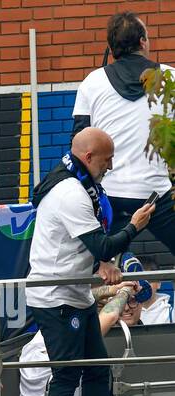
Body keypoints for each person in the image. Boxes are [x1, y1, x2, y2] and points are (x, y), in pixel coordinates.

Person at [26, 126, 153, 396]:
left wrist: (103, 263)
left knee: (98, 370)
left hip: (75, 292)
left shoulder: (82, 184)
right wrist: (136, 226)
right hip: (54, 296)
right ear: (88, 157)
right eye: (107, 159)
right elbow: (102, 244)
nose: (110, 166)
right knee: (66, 376)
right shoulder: (71, 192)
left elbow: (92, 246)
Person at [73, 13, 175, 256]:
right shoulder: (171, 78)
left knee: (96, 266)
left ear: (111, 48)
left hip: (110, 197)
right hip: (158, 196)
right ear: (142, 42)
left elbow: (77, 144)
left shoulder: (91, 83)